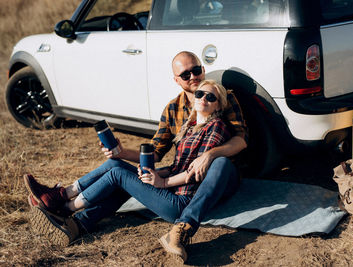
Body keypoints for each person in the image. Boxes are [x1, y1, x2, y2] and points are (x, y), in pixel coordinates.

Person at [26, 51, 247, 261]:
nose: (194, 78)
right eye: (186, 75)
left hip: (215, 180)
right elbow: (157, 152)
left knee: (121, 175)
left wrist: (204, 157)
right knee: (117, 166)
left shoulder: (220, 107)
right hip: (177, 184)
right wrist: (127, 157)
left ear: (203, 70)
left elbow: (240, 140)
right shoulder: (178, 114)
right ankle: (73, 215)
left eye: (196, 70)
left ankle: (63, 207)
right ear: (176, 80)